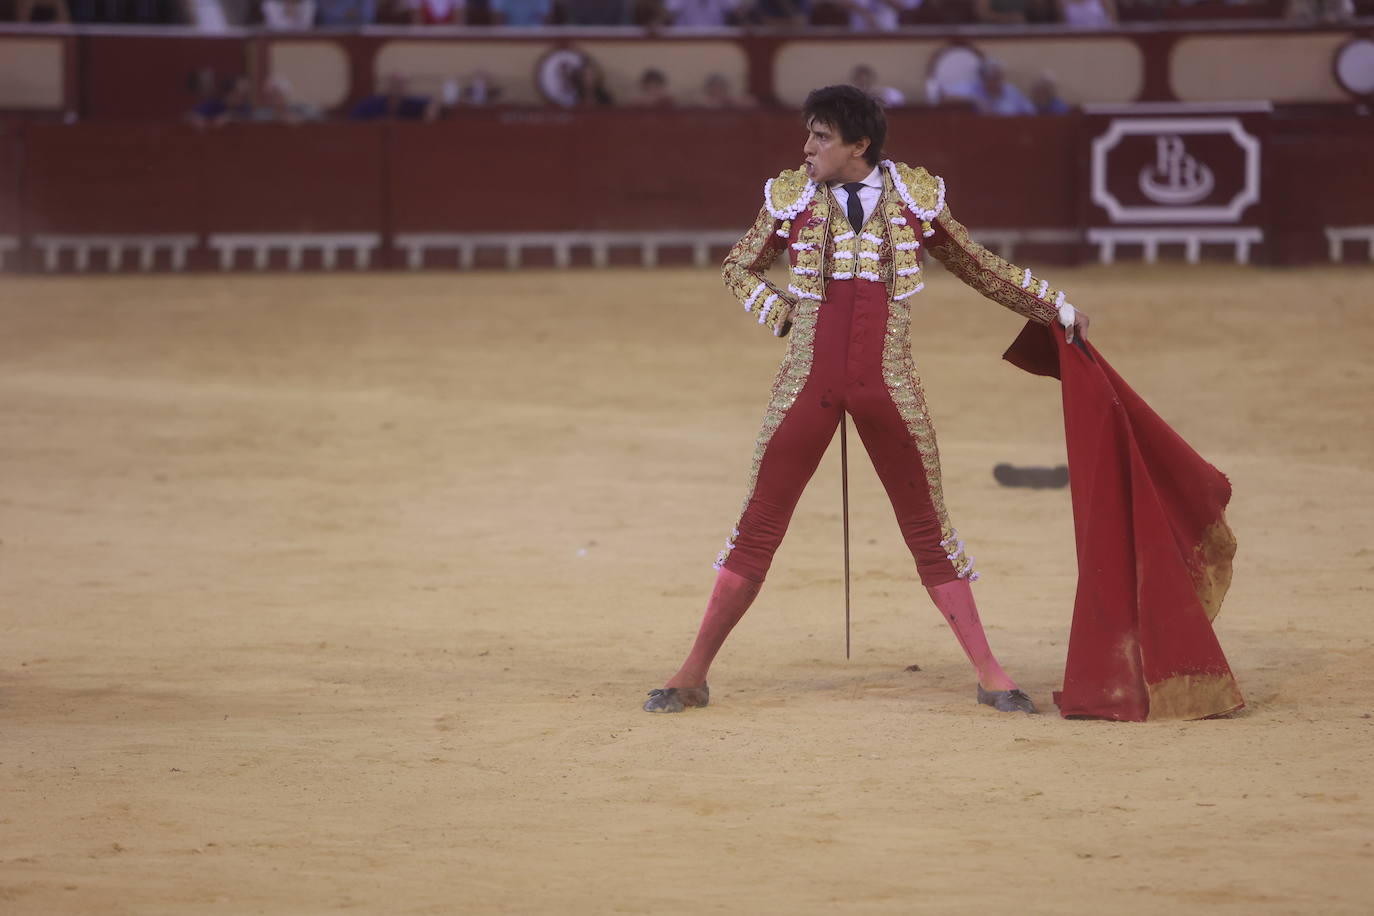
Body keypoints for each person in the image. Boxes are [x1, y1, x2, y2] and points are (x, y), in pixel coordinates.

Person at [643, 84, 1088, 716]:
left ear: (860, 145)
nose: (806, 148)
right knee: (757, 527)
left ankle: (991, 674)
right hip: (806, 384)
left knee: (929, 531)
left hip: (890, 387)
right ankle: (691, 674)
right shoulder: (791, 197)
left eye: (821, 137)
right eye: (809, 134)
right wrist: (782, 313)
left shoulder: (913, 197)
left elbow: (977, 265)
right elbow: (738, 266)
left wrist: (1054, 308)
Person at [953, 58, 1035, 116]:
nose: (996, 81)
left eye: (998, 77)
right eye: (991, 77)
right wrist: (973, 100)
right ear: (982, 77)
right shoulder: (972, 88)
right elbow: (943, 93)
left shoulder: (1011, 91)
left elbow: (1031, 111)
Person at [349, 73, 438, 121]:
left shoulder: (412, 103)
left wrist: (429, 114)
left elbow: (431, 102)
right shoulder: (371, 103)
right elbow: (353, 121)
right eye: (394, 84)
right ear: (388, 86)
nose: (397, 88)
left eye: (401, 85)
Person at [187, 75, 252, 127]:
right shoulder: (214, 104)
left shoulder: (245, 106)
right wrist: (198, 120)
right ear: (230, 93)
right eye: (242, 94)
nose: (244, 98)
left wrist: (231, 117)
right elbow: (190, 116)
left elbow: (249, 119)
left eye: (246, 94)